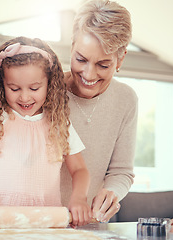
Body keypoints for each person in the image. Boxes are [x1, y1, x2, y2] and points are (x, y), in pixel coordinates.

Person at [0, 36, 92, 227]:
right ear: (2, 85)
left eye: (34, 88)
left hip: (45, 222)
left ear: (49, 84)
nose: (25, 96)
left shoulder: (59, 123)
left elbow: (79, 169)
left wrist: (79, 198)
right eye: (14, 88)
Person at [60, 0, 138, 223]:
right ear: (72, 45)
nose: (89, 74)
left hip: (90, 226)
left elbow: (122, 171)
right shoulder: (43, 90)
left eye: (103, 65)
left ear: (120, 59)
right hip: (39, 223)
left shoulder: (126, 99)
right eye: (81, 59)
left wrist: (112, 192)